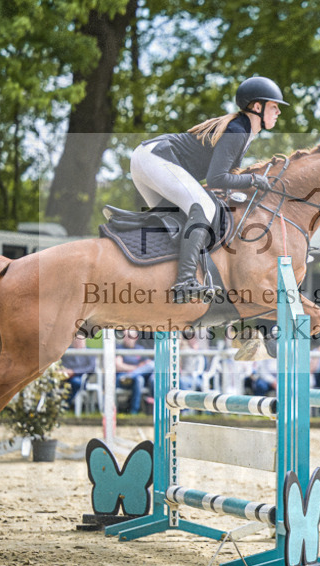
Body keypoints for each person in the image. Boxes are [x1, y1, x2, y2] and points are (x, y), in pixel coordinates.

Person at [128, 76, 287, 303]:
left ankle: (134, 242)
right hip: (157, 158)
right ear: (257, 107)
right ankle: (184, 281)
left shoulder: (242, 131)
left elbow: (220, 181)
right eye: (274, 106)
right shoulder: (237, 131)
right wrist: (252, 180)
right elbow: (216, 178)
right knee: (204, 206)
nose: (278, 112)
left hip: (147, 159)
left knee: (176, 219)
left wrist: (249, 183)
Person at [115, 329, 154, 414]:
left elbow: (147, 364)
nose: (126, 339)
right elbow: (118, 366)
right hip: (122, 379)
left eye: (129, 337)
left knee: (142, 377)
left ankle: (134, 411)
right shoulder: (119, 348)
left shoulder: (140, 349)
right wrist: (136, 368)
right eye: (125, 336)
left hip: (133, 378)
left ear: (135, 337)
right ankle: (133, 374)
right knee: (143, 373)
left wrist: (132, 371)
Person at [61, 335, 98, 405]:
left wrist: (74, 372)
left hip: (81, 377)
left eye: (80, 340)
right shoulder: (67, 352)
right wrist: (64, 371)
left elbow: (91, 368)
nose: (78, 342)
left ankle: (65, 405)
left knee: (76, 382)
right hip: (65, 377)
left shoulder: (90, 352)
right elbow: (63, 364)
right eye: (76, 340)